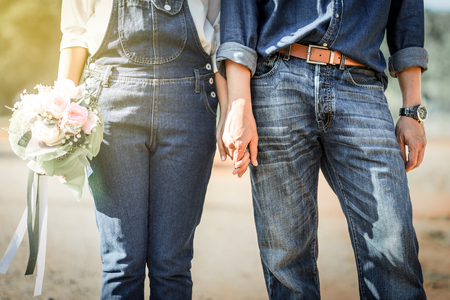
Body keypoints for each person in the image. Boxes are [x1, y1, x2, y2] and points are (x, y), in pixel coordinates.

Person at [217, 0, 428, 299]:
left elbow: (407, 12)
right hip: (278, 79)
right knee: (286, 257)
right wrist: (238, 103)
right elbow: (239, 9)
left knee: (394, 246)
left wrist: (412, 108)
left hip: (361, 84)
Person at [58, 0, 247, 298]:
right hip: (110, 106)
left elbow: (220, 33)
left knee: (172, 265)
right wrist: (59, 116)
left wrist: (229, 111)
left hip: (189, 105)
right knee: (122, 263)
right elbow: (75, 31)